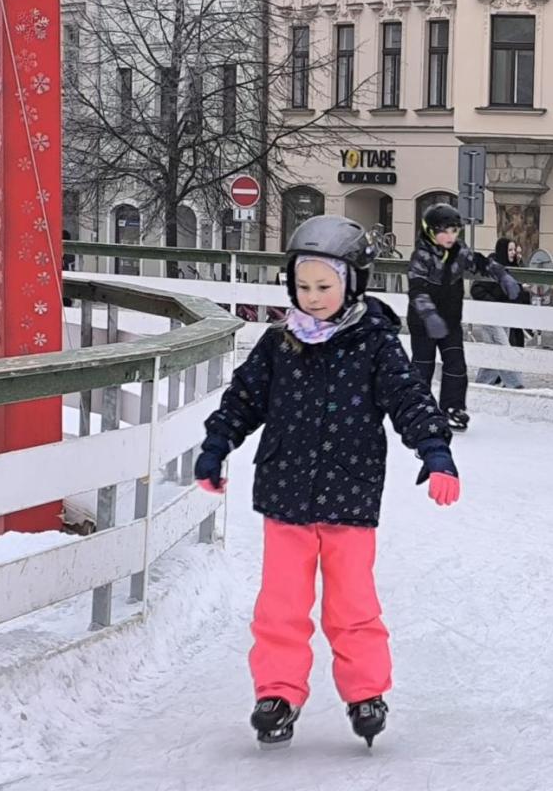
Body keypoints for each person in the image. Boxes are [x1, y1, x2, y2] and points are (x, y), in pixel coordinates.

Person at [193, 215, 460, 749]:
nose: (312, 297)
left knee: (353, 606)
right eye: (303, 286)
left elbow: (409, 400)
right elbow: (242, 401)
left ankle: (365, 693)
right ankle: (277, 694)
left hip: (350, 497)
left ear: (353, 283)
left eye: (324, 286)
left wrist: (435, 452)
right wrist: (216, 447)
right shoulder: (278, 345)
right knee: (280, 606)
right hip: (286, 498)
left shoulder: (376, 345)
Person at [406, 202, 521, 432]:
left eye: (454, 231)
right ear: (430, 231)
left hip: (449, 320)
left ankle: (452, 409)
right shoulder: (421, 256)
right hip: (424, 323)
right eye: (444, 231)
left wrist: (502, 275)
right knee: (422, 367)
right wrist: (429, 315)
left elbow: (481, 262)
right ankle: (418, 409)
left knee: (456, 365)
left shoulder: (459, 253)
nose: (450, 236)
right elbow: (417, 289)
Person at [470, 237, 529, 388]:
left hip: (506, 317)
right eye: (510, 250)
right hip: (491, 317)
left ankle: (481, 386)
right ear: (502, 250)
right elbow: (476, 289)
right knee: (503, 349)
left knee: (494, 353)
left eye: (514, 250)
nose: (513, 253)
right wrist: (494, 304)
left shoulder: (513, 268)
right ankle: (516, 386)